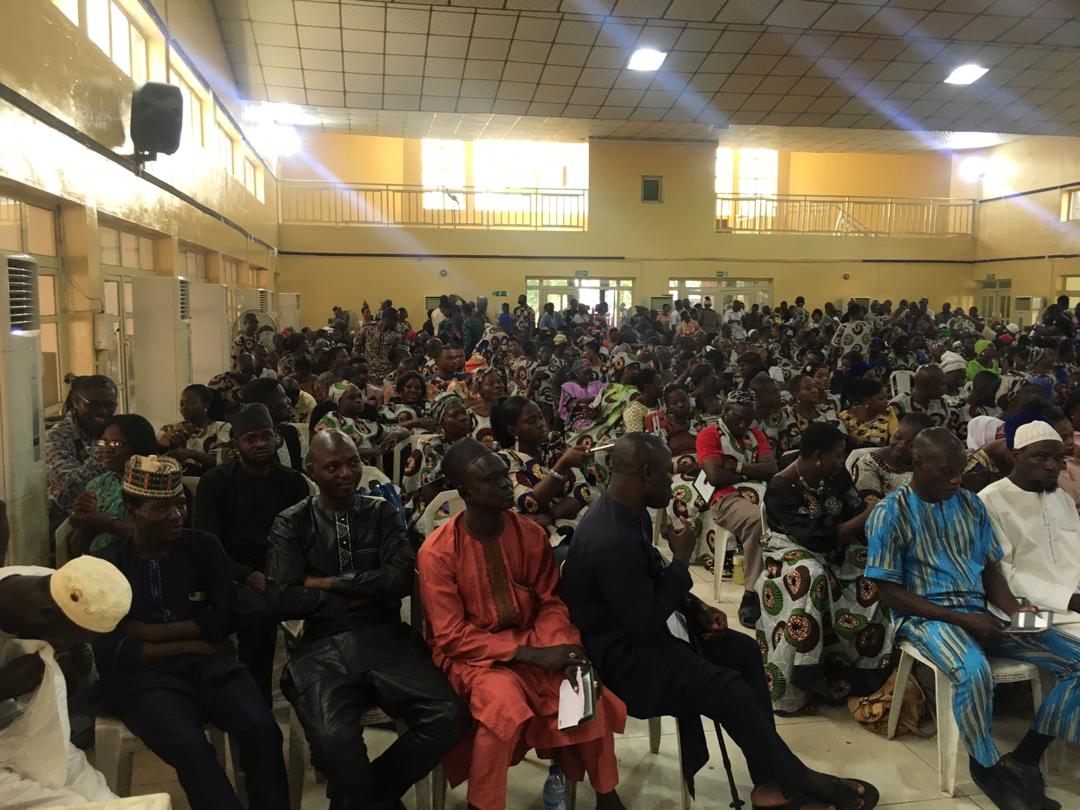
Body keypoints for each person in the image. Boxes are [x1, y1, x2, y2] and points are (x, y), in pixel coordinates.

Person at [562, 433, 880, 810]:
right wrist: (681, 563)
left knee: (744, 652)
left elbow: (646, 587)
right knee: (729, 691)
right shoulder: (611, 537)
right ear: (646, 473)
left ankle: (769, 782)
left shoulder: (628, 514)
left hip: (644, 636)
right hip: (624, 664)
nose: (673, 482)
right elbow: (645, 622)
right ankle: (797, 779)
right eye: (666, 474)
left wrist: (694, 605)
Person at [866, 428, 1080, 810]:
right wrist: (963, 619)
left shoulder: (969, 503)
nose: (955, 480)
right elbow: (888, 591)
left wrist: (1015, 612)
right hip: (927, 617)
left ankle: (1025, 757)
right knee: (973, 670)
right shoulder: (890, 512)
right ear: (917, 464)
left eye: (959, 471)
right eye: (946, 471)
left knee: (1074, 656)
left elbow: (990, 570)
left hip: (982, 612)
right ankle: (985, 766)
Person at [417, 438, 627, 810]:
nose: (506, 485)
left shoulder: (530, 535)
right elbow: (451, 637)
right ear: (466, 493)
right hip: (473, 657)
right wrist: (529, 655)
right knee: (502, 704)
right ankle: (483, 805)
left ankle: (607, 795)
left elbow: (550, 604)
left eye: (504, 476)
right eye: (492, 480)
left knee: (583, 687)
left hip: (534, 638)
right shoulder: (438, 552)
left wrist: (561, 648)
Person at [266, 430, 468, 810]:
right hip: (320, 649)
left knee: (449, 716)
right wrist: (360, 594)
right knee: (333, 741)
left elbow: (399, 580)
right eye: (332, 467)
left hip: (385, 639)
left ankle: (369, 798)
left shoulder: (382, 512)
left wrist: (325, 583)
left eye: (353, 463)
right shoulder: (291, 523)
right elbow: (282, 598)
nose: (346, 473)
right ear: (311, 470)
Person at [93, 454, 289, 810]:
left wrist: (148, 633)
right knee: (192, 748)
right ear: (132, 510)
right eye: (161, 508)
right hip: (145, 682)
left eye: (181, 504)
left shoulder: (203, 547)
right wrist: (193, 642)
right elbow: (111, 650)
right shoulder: (109, 565)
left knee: (262, 729)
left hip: (214, 669)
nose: (176, 515)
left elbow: (226, 617)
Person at [756, 424, 892, 713]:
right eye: (838, 455)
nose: (843, 461)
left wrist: (872, 518)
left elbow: (855, 510)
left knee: (878, 569)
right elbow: (815, 537)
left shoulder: (836, 476)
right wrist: (868, 514)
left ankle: (856, 677)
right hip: (789, 549)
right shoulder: (781, 487)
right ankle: (803, 674)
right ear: (818, 456)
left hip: (836, 547)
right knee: (812, 575)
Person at [194, 404, 311, 707]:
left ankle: (311, 696)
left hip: (282, 572)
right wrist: (248, 576)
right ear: (237, 445)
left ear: (276, 438)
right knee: (260, 614)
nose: (260, 444)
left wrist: (283, 575)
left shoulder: (293, 482)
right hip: (230, 573)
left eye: (265, 437)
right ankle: (255, 704)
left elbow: (303, 539)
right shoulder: (215, 483)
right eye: (251, 439)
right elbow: (207, 546)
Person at [0, 556, 132, 807]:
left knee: (102, 800)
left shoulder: (54, 586)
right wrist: (4, 687)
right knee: (65, 804)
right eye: (72, 640)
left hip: (24, 729)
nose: (66, 647)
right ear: (45, 615)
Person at [978, 415, 1080, 639]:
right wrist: (1068, 599)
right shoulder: (989, 501)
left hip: (1073, 603)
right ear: (1016, 456)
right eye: (1041, 457)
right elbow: (1001, 573)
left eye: (1058, 458)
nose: (1052, 466)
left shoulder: (1062, 499)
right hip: (1024, 608)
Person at [696, 389, 777, 627]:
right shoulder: (709, 435)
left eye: (748, 420)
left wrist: (738, 468)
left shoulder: (756, 434)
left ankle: (778, 584)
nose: (742, 424)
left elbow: (771, 469)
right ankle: (751, 595)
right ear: (725, 411)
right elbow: (715, 476)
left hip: (761, 492)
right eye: (738, 418)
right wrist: (754, 471)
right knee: (755, 520)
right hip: (725, 498)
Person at [492, 397, 592, 555]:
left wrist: (550, 515)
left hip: (571, 523)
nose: (540, 424)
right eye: (531, 421)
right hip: (539, 538)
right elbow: (530, 503)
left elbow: (583, 491)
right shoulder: (507, 460)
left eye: (540, 417)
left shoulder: (552, 446)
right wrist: (561, 467)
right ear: (513, 430)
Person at [67, 413, 158, 556]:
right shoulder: (97, 484)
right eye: (103, 442)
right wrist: (83, 521)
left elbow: (155, 538)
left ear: (139, 446)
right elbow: (77, 551)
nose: (107, 449)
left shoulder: (156, 484)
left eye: (116, 443)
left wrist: (105, 524)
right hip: (98, 563)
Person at [45, 375, 117, 530]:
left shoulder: (114, 429)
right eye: (93, 404)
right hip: (66, 517)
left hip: (109, 508)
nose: (102, 411)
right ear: (75, 401)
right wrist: (107, 450)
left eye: (109, 405)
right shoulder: (56, 437)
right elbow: (72, 487)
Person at [401, 392, 474, 517]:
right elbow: (431, 498)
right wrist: (461, 512)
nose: (463, 418)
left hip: (470, 506)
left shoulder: (473, 445)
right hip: (435, 510)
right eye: (454, 415)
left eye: (464, 412)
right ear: (441, 422)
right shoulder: (431, 448)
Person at [852, 413, 932, 508]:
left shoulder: (930, 465)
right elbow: (872, 506)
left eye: (911, 444)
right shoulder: (870, 462)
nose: (901, 445)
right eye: (898, 437)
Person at [157, 384, 231, 476]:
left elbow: (222, 462)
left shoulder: (221, 428)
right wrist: (164, 446)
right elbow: (155, 461)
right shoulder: (169, 429)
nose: (184, 407)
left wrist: (191, 454)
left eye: (190, 403)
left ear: (206, 404)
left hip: (209, 481)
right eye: (182, 404)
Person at [887, 363, 953, 436]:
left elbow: (947, 434)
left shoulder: (942, 404)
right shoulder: (898, 405)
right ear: (925, 385)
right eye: (941, 384)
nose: (945, 388)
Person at [354, 306, 403, 381]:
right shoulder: (366, 330)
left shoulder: (396, 336)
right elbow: (356, 350)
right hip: (368, 375)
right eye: (395, 321)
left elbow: (398, 357)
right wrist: (359, 370)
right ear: (387, 319)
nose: (396, 324)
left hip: (387, 376)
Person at [208, 352, 256, 419]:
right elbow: (210, 404)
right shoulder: (220, 380)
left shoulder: (254, 381)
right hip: (225, 420)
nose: (248, 376)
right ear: (235, 366)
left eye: (251, 372)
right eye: (244, 371)